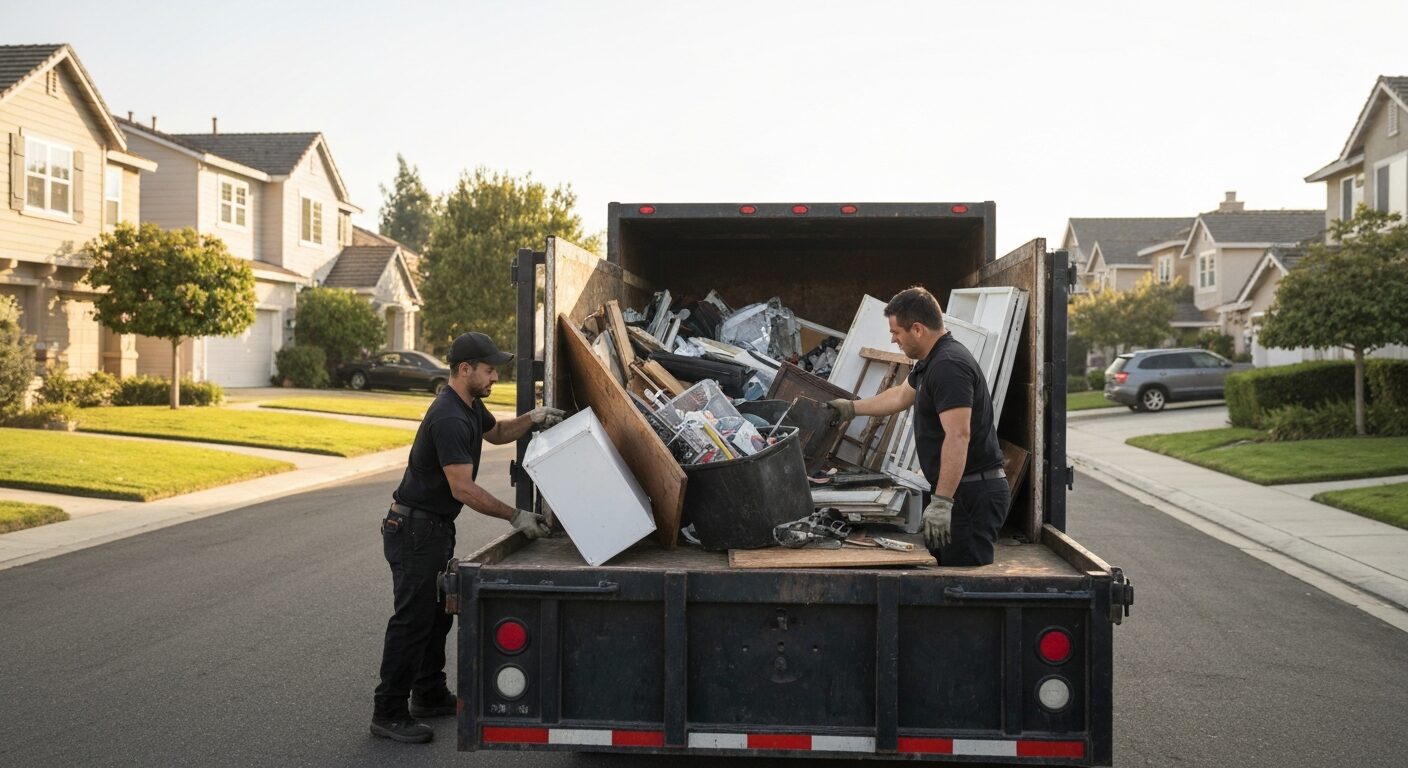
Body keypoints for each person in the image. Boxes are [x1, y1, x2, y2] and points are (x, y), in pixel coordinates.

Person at [370, 331, 564, 743]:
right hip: (415, 530)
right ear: (465, 369)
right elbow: (463, 488)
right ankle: (387, 711)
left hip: (432, 528)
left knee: (437, 615)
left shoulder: (471, 407)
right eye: (490, 369)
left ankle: (428, 693)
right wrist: (516, 516)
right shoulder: (449, 417)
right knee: (412, 620)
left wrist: (534, 418)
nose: (496, 376)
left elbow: (496, 433)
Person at [827, 287, 1009, 566]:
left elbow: (958, 435)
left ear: (918, 329)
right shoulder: (930, 361)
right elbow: (899, 396)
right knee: (944, 574)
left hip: (971, 497)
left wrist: (942, 502)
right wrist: (851, 408)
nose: (893, 339)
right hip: (958, 493)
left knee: (961, 585)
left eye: (896, 332)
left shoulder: (948, 366)